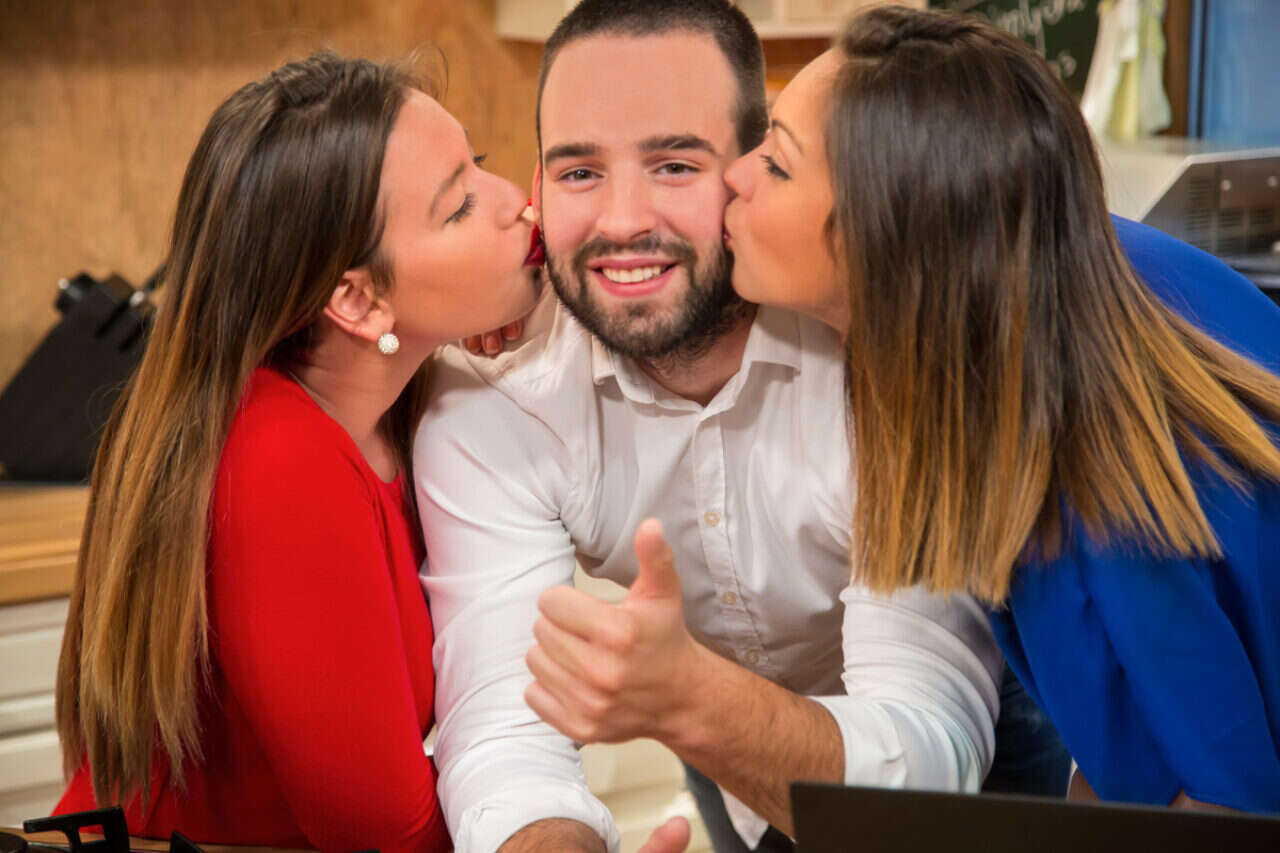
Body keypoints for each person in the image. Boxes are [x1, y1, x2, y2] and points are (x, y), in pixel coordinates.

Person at [416, 3, 1069, 852]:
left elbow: (926, 747)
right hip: (722, 753)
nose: (622, 221)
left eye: (675, 165)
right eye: (578, 172)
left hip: (977, 731)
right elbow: (504, 730)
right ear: (538, 187)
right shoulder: (495, 387)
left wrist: (689, 699)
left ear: (753, 170)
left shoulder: (874, 332)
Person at [722, 5, 1280, 813]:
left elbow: (1226, 809)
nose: (735, 175)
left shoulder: (1097, 484)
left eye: (776, 164)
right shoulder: (1039, 271)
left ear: (889, 237)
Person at [53, 52, 544, 850]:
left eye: (479, 162)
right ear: (357, 299)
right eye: (458, 206)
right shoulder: (280, 461)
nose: (517, 201)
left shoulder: (386, 406)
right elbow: (381, 834)